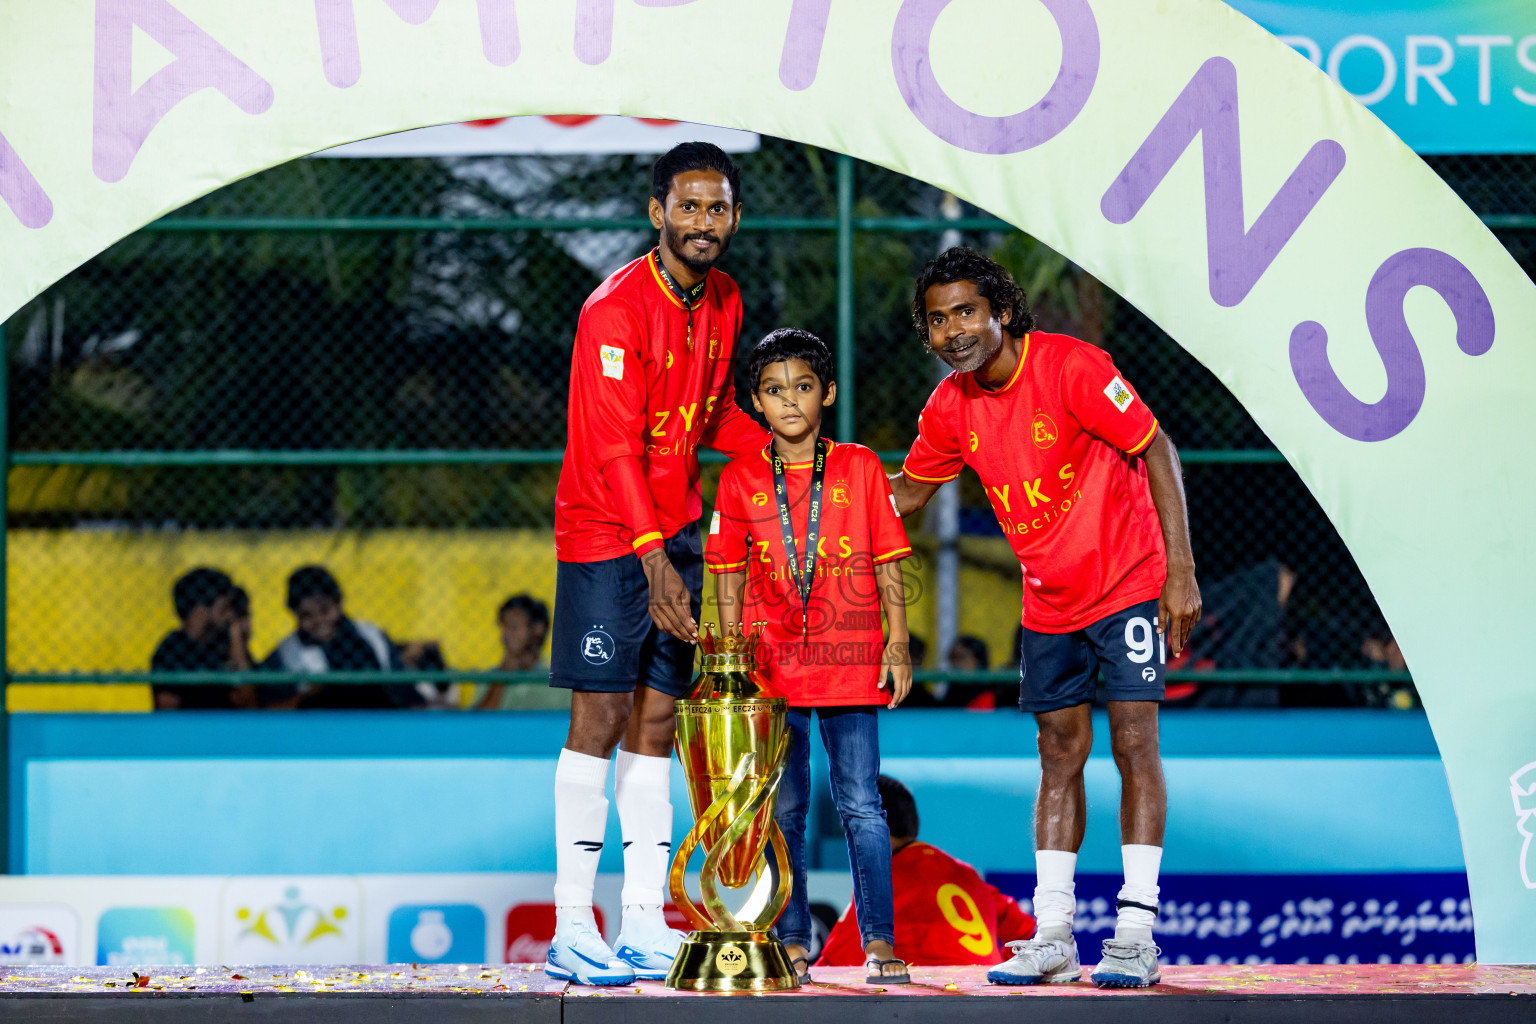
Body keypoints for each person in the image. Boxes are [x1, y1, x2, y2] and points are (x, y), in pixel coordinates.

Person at [890, 248, 1201, 988]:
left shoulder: (1072, 368)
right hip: (1048, 599)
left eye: (966, 311)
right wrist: (822, 486)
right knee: (1058, 755)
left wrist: (1180, 572)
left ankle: (1135, 933)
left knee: (1133, 744)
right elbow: (906, 496)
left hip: (1127, 579)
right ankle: (1054, 932)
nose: (953, 330)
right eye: (937, 320)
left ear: (1000, 310)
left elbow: (1156, 446)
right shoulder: (949, 406)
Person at [544, 142, 770, 986]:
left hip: (673, 534)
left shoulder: (727, 299)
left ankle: (642, 921)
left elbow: (713, 417)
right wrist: (656, 564)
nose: (703, 223)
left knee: (657, 725)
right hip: (608, 536)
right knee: (599, 721)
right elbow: (610, 451)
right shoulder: (615, 309)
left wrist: (808, 452)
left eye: (717, 209)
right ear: (657, 213)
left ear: (733, 218)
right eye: (689, 207)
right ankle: (573, 925)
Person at [709, 327, 914, 985]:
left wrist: (900, 644)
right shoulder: (740, 478)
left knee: (860, 804)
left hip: (852, 661)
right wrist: (727, 666)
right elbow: (726, 578)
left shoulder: (857, 465)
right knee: (785, 810)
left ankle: (880, 942)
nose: (789, 401)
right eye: (773, 390)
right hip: (770, 671)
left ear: (826, 392)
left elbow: (888, 562)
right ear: (756, 402)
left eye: (802, 386)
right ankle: (792, 942)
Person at [818, 775, 1036, 967]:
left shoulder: (881, 881)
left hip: (932, 1006)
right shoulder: (964, 872)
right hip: (991, 1000)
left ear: (869, 828)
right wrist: (1005, 978)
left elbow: (830, 965)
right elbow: (1022, 926)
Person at [261, 565, 424, 709]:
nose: (318, 621)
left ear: (338, 603)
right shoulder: (287, 652)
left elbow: (406, 693)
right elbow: (268, 707)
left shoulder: (371, 636)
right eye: (306, 615)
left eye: (324, 610)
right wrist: (307, 695)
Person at [150, 567, 255, 710]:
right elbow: (168, 711)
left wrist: (237, 645)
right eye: (223, 609)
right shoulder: (171, 650)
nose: (230, 616)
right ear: (200, 611)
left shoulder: (225, 646)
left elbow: (248, 703)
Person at [477, 594, 567, 710]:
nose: (505, 635)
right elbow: (479, 723)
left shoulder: (559, 681)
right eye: (503, 627)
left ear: (538, 629)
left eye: (514, 626)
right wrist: (502, 676)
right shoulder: (490, 679)